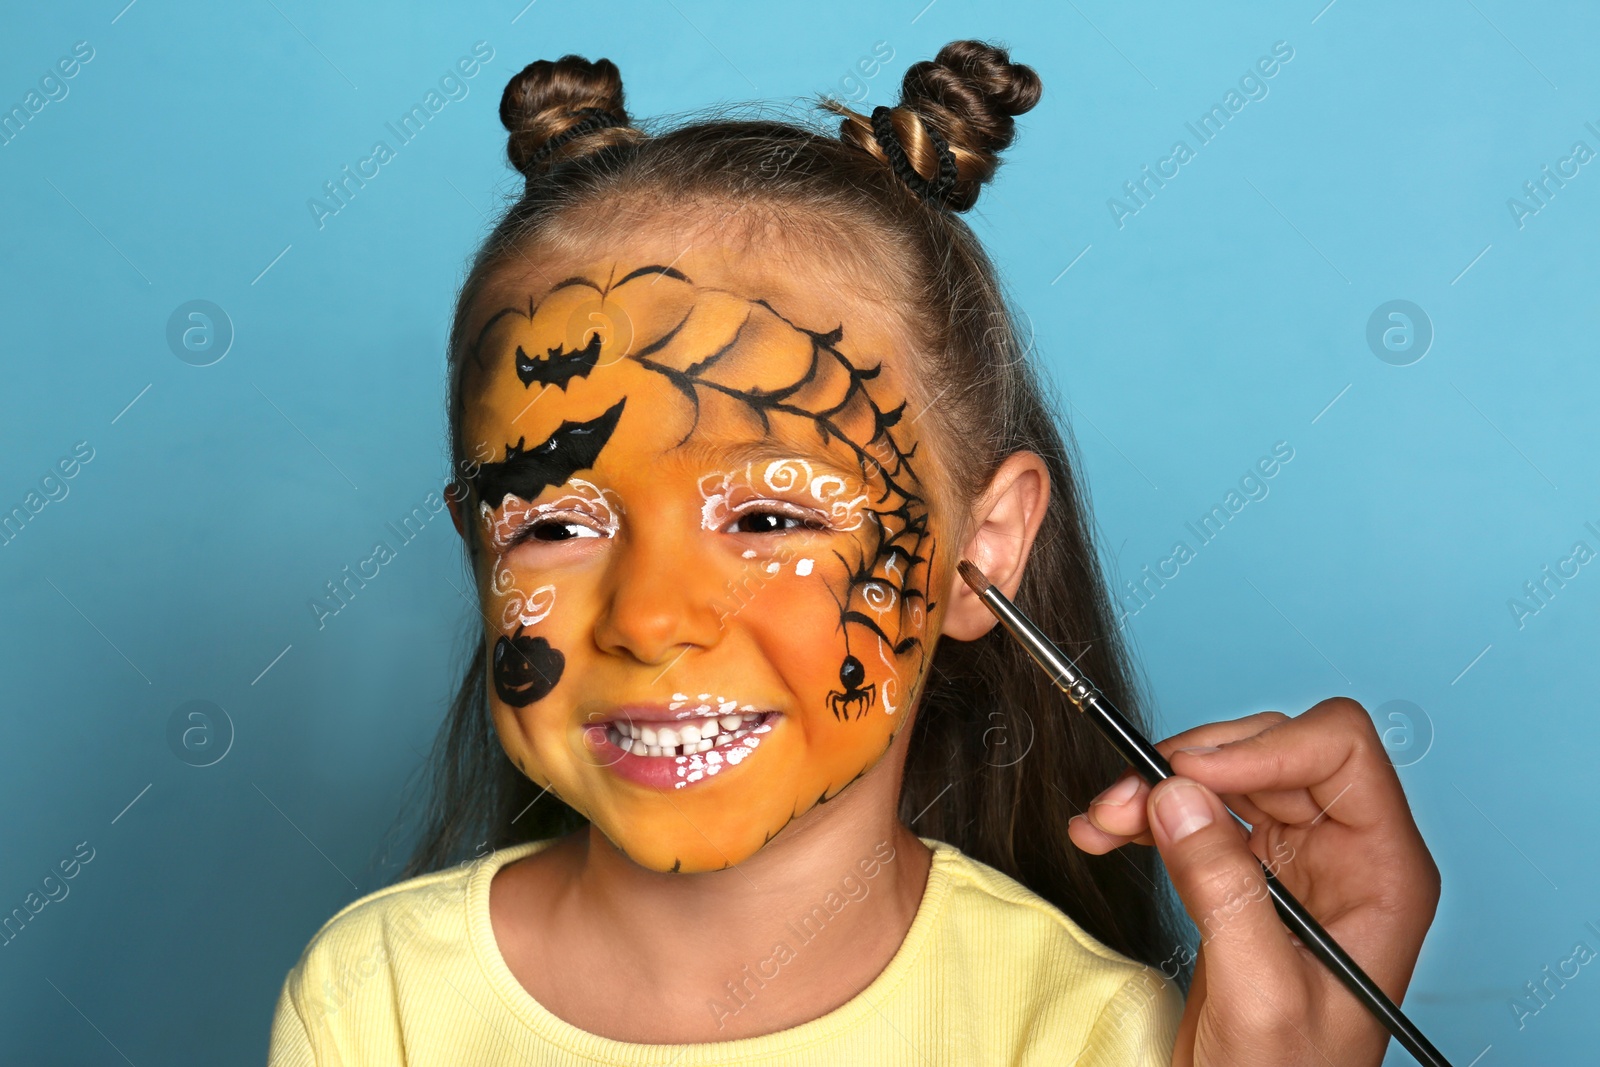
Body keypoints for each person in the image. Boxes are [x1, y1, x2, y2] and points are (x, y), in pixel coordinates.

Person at [267, 39, 1441, 1066]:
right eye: (555, 525)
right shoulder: (379, 998)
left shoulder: (1100, 1036)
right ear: (478, 547)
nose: (651, 617)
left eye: (770, 517)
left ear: (983, 548)